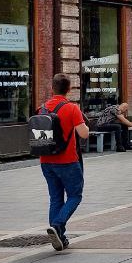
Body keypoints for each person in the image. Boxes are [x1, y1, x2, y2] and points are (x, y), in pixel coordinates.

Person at [39, 74, 89, 252]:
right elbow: (83, 134)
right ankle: (58, 225)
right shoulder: (72, 108)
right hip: (67, 160)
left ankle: (59, 236)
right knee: (75, 195)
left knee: (55, 198)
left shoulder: (42, 108)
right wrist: (86, 126)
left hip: (46, 160)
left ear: (52, 88)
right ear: (69, 90)